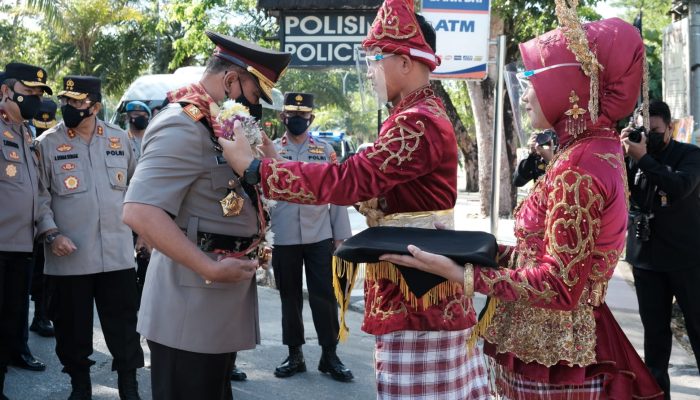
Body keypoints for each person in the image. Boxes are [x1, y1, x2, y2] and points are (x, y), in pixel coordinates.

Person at [378, 4, 666, 399]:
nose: (526, 94)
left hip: (556, 354)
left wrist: (461, 275)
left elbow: (558, 284)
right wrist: (472, 250)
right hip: (554, 342)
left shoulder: (578, 166)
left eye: (532, 80)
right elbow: (544, 252)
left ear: (569, 89)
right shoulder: (588, 150)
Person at [218, 1, 490, 398]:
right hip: (411, 278)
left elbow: (350, 179)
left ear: (405, 60)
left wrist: (257, 170)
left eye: (377, 59)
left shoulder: (418, 120)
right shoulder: (412, 113)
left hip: (418, 288)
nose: (371, 70)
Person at [122, 31, 290, 400]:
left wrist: (259, 142)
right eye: (252, 95)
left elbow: (273, 179)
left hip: (215, 303)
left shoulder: (225, 125)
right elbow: (139, 210)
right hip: (190, 303)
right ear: (230, 81)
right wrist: (209, 268)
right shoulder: (182, 123)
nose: (255, 106)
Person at [36, 75, 144, 400]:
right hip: (69, 257)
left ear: (95, 106)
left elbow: (138, 189)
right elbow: (39, 197)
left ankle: (129, 385)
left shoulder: (119, 139)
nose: (68, 106)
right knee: (71, 329)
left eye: (76, 101)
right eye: (66, 100)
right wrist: (50, 233)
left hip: (117, 255)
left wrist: (144, 233)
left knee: (125, 326)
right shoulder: (46, 143)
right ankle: (79, 386)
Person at [270, 92, 354, 382]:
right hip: (283, 235)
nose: (296, 120)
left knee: (324, 296)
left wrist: (340, 235)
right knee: (289, 296)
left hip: (320, 235)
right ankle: (295, 355)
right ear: (283, 117)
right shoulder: (270, 150)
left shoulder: (325, 151)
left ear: (311, 118)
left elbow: (338, 192)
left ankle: (329, 355)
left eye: (302, 116)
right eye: (291, 115)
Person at [623, 99, 700, 399]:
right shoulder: (631, 155)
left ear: (670, 127)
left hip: (686, 257)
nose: (649, 136)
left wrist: (644, 159)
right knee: (655, 341)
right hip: (646, 260)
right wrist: (620, 155)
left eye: (655, 130)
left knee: (697, 328)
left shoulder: (689, 155)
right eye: (644, 130)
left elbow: (679, 187)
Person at [0, 62, 54, 399]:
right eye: (28, 91)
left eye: (38, 93)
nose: (33, 98)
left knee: (10, 321)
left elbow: (36, 190)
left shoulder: (28, 135)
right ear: (6, 90)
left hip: (22, 247)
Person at [28, 98, 57, 338]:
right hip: (27, 215)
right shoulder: (27, 134)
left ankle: (41, 315)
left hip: (48, 213)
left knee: (43, 270)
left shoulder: (55, 138)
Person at [123, 101, 152, 305]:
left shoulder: (152, 139)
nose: (139, 117)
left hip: (148, 203)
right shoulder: (119, 139)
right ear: (127, 117)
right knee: (125, 250)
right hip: (124, 202)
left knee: (146, 251)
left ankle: (143, 291)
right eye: (135, 114)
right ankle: (128, 291)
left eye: (143, 114)